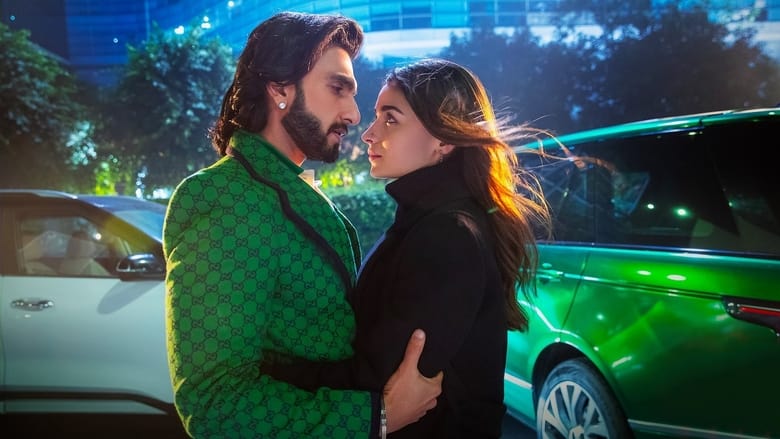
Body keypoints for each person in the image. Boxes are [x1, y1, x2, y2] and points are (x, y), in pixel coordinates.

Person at [163, 12, 442, 439]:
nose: (353, 114)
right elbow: (214, 403)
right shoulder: (224, 197)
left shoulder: (285, 186)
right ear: (280, 88)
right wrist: (379, 416)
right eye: (337, 89)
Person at [264, 58, 553, 438]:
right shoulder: (426, 220)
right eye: (376, 117)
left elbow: (377, 377)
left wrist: (264, 372)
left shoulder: (447, 234)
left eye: (391, 119)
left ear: (444, 140)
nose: (369, 134)